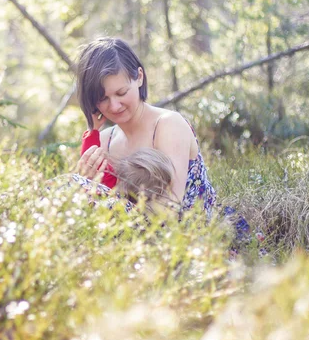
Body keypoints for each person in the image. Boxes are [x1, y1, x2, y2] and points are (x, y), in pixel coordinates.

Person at [75, 37, 217, 216]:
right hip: (126, 237)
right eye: (103, 99)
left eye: (122, 93)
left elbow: (168, 210)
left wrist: (104, 199)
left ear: (139, 77)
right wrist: (87, 183)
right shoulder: (105, 140)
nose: (114, 106)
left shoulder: (168, 125)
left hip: (187, 237)